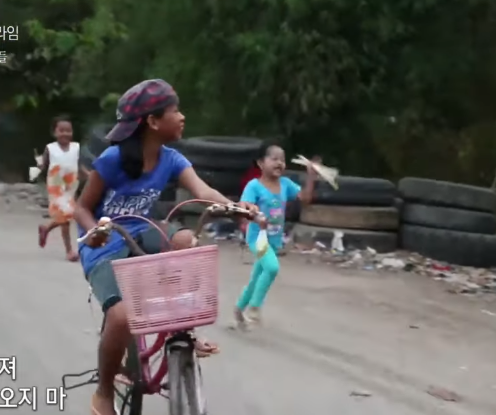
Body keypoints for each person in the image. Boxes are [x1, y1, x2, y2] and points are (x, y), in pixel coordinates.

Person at [74, 79, 257, 415]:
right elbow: (81, 207)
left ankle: (181, 328)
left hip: (144, 229)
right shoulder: (112, 160)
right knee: (120, 317)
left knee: (186, 240)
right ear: (153, 122)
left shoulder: (172, 159)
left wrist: (237, 207)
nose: (183, 117)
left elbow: (203, 191)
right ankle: (102, 394)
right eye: (176, 111)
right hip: (106, 239)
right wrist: (93, 231)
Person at [235, 143, 317, 328]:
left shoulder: (286, 185)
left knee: (258, 276)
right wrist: (255, 216)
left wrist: (311, 177)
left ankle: (238, 309)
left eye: (282, 159)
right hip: (258, 237)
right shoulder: (254, 186)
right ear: (261, 163)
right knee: (272, 268)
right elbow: (244, 207)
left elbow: (305, 199)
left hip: (274, 238)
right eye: (274, 158)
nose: (279, 163)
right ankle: (255, 308)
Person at [37, 115, 80, 262]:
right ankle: (69, 251)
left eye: (68, 130)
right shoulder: (51, 148)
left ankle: (46, 228)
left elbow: (79, 165)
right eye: (61, 130)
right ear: (54, 132)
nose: (65, 134)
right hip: (56, 186)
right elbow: (43, 165)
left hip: (70, 186)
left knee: (68, 215)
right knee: (65, 217)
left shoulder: (76, 147)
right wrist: (38, 167)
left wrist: (91, 174)